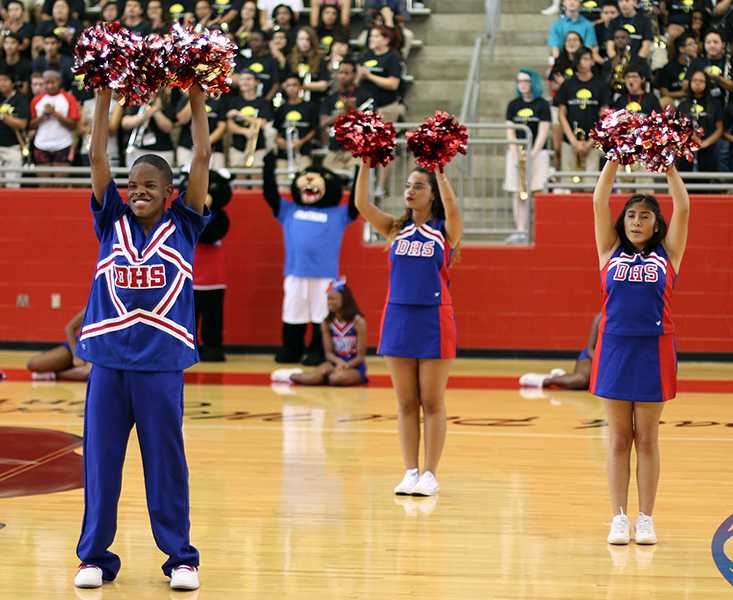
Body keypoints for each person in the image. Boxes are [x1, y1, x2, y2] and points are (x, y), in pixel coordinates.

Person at [72, 84, 211, 591]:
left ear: (169, 192)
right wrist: (105, 96)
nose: (139, 191)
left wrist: (196, 95)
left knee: (166, 464)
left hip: (161, 364)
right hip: (109, 363)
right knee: (102, 462)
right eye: (133, 184)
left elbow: (201, 155)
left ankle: (180, 557)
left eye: (150, 184)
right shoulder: (110, 219)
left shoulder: (186, 224)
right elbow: (95, 153)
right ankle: (93, 556)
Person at [591, 159, 689, 546]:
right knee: (618, 438)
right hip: (614, 348)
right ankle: (617, 517)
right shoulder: (608, 250)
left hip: (654, 348)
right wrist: (615, 158)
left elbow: (683, 206)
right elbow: (600, 200)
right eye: (630, 215)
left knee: (647, 438)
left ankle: (645, 518)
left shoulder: (669, 255)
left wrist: (668, 166)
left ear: (656, 224)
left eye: (644, 216)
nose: (635, 222)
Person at [354, 158, 463, 498]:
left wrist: (441, 172)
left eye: (419, 186)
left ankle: (431, 473)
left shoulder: (445, 231)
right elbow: (361, 204)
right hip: (398, 319)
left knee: (431, 401)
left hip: (433, 318)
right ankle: (410, 471)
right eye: (407, 186)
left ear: (432, 195)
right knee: (404, 403)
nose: (410, 191)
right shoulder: (394, 229)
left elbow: (454, 208)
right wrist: (365, 162)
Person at [261, 151, 358, 364]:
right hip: (295, 273)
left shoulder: (339, 213)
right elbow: (270, 195)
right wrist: (268, 167)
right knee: (293, 313)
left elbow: (355, 204)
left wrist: (360, 170)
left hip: (325, 276)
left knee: (322, 315)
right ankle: (292, 349)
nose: (310, 179)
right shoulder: (289, 209)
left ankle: (318, 351)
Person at [504, 68, 551, 243]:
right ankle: (520, 230)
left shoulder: (542, 104)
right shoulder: (513, 105)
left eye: (526, 81)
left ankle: (538, 231)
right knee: (518, 192)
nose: (522, 84)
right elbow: (510, 131)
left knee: (537, 190)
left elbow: (543, 131)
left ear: (533, 83)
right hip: (517, 153)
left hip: (538, 153)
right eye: (519, 81)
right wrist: (516, 153)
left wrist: (533, 153)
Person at [290, 281, 368, 385]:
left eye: (333, 299)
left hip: (354, 366)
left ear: (344, 300)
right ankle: (289, 375)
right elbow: (329, 353)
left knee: (337, 379)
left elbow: (360, 356)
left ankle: (328, 378)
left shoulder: (358, 322)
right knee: (311, 378)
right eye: (328, 299)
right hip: (334, 363)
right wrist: (338, 362)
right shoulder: (326, 322)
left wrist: (346, 365)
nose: (329, 302)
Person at [556, 46, 609, 181]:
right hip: (570, 142)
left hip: (592, 142)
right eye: (581, 59)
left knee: (590, 185)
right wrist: (574, 142)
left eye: (587, 59)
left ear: (592, 61)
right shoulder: (567, 85)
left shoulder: (600, 85)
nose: (583, 63)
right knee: (567, 184)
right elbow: (561, 114)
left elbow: (604, 116)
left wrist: (589, 142)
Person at [519, 313, 601, 389]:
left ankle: (562, 376)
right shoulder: (601, 317)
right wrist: (602, 363)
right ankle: (546, 380)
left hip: (611, 363)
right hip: (593, 357)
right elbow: (590, 348)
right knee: (580, 380)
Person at [29, 70, 79, 174]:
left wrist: (55, 113)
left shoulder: (69, 98)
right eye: (47, 83)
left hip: (63, 144)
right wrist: (43, 116)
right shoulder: (36, 100)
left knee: (60, 185)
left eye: (53, 82)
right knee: (44, 185)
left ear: (59, 81)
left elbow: (73, 125)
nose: (50, 86)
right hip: (41, 145)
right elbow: (30, 125)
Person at [677, 68, 724, 173]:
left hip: (708, 147)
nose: (697, 83)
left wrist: (705, 143)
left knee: (708, 181)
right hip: (686, 148)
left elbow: (720, 129)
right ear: (690, 83)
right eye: (694, 80)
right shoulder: (683, 104)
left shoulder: (715, 104)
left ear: (707, 83)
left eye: (701, 81)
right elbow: (677, 127)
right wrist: (689, 138)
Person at [26, 309, 90, 381]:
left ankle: (55, 374)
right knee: (33, 364)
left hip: (95, 353)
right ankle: (72, 370)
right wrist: (76, 355)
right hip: (79, 346)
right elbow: (69, 328)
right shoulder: (94, 305)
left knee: (88, 373)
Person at [320, 58, 358, 173]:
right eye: (340, 72)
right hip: (335, 149)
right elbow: (323, 122)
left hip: (356, 151)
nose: (342, 76)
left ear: (354, 75)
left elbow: (369, 123)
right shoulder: (330, 98)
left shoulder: (363, 95)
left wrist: (352, 110)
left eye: (346, 73)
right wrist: (341, 114)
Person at [0, 69, 29, 186]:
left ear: (12, 83)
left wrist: (3, 117)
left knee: (12, 185)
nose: (1, 83)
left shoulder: (20, 99)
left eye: (5, 80)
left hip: (13, 147)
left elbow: (22, 124)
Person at [654, 32, 697, 107]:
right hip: (675, 101)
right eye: (690, 44)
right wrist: (682, 93)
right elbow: (664, 93)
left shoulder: (699, 64)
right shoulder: (669, 68)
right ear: (681, 49)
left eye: (695, 44)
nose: (695, 46)